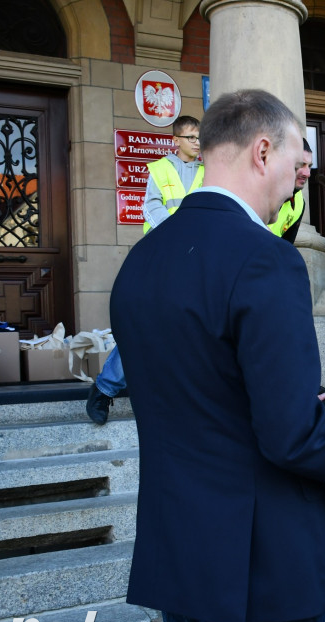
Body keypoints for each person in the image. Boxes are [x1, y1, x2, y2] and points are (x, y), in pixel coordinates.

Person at [110, 89, 325, 622]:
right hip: (261, 567)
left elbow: (203, 392)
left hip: (180, 557)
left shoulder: (141, 261)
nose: (300, 180)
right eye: (298, 162)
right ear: (262, 151)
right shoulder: (265, 259)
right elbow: (290, 437)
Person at [86, 115, 204, 425]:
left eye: (199, 137)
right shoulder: (160, 169)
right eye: (190, 137)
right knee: (145, 325)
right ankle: (104, 389)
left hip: (198, 261)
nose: (196, 142)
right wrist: (178, 235)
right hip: (163, 259)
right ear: (175, 140)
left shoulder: (210, 172)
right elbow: (151, 207)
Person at [268, 138, 313, 243]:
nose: (307, 173)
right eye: (302, 164)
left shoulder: (299, 203)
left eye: (310, 166)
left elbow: (286, 246)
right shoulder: (260, 190)